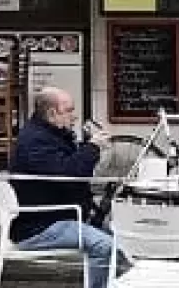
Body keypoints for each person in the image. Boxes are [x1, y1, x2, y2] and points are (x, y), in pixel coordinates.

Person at [10, 88, 120, 287]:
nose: (75, 116)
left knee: (123, 239)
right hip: (39, 225)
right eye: (69, 110)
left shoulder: (50, 134)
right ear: (52, 114)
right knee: (104, 245)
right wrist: (92, 147)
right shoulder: (35, 142)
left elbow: (69, 169)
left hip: (59, 215)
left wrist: (85, 145)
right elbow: (69, 175)